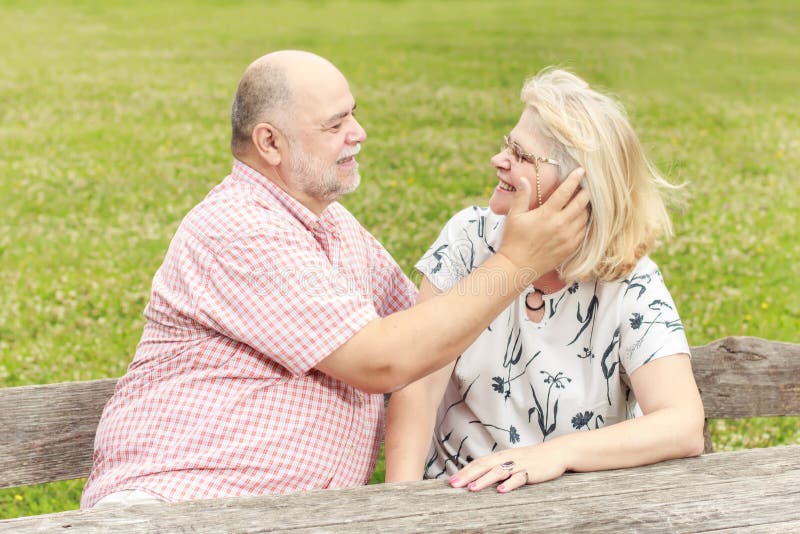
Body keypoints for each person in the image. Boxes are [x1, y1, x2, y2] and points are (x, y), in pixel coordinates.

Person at [80, 52, 590, 508]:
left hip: (280, 515)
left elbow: (424, 327)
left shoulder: (332, 226)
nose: (359, 132)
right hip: (177, 504)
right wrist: (517, 261)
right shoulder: (237, 227)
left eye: (354, 113)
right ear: (270, 143)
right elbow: (386, 358)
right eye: (335, 123)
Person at [384, 68, 705, 493]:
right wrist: (401, 507)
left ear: (578, 188)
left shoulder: (628, 280)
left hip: (581, 503)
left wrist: (555, 454)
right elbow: (418, 386)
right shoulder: (469, 240)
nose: (498, 161)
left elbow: (683, 424)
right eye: (506, 145)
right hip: (458, 496)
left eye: (520, 155)